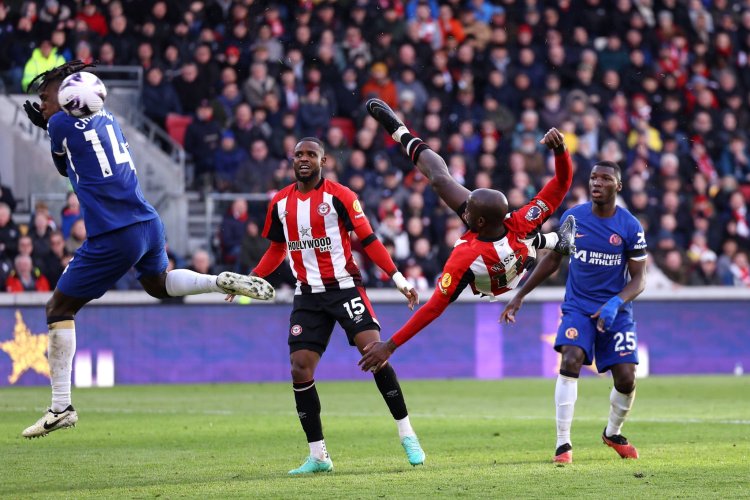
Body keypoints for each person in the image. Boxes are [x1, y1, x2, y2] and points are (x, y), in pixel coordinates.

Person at [20, 61, 275, 439]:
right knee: (158, 284)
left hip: (113, 232)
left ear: (67, 96)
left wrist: (48, 127)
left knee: (58, 308)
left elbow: (62, 167)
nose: (41, 104)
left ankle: (61, 407)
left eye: (45, 97)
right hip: (148, 222)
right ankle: (217, 280)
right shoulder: (109, 120)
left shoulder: (58, 125)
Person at [244, 137, 425, 474]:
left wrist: (397, 278)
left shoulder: (341, 197)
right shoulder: (280, 202)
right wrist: (251, 277)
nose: (303, 159)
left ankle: (407, 434)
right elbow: (276, 250)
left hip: (344, 289)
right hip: (307, 295)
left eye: (310, 154)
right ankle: (318, 455)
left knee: (374, 353)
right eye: (298, 154)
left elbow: (369, 240)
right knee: (300, 368)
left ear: (323, 161)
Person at [358, 99, 576, 372]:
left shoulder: (465, 256)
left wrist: (389, 345)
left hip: (497, 282)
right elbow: (562, 182)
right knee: (441, 180)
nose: (464, 209)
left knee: (526, 243)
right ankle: (400, 131)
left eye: (468, 209)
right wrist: (561, 151)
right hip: (512, 243)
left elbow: (433, 308)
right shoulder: (519, 221)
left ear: (479, 220)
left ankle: (553, 241)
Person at [500, 160, 647, 464]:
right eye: (593, 177)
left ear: (617, 186)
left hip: (615, 311)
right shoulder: (573, 219)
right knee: (571, 358)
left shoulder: (630, 227)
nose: (597, 183)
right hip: (578, 307)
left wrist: (616, 302)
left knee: (626, 378)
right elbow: (552, 262)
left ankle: (612, 432)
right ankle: (562, 444)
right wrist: (520, 295)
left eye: (605, 178)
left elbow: (639, 279)